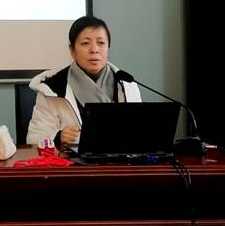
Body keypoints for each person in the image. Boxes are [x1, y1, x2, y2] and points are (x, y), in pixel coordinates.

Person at [26, 15, 141, 148]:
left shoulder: (126, 85)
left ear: (108, 48)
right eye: (86, 43)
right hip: (71, 161)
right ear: (72, 50)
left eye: (101, 43)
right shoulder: (52, 88)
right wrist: (58, 138)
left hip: (119, 160)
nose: (94, 50)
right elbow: (34, 141)